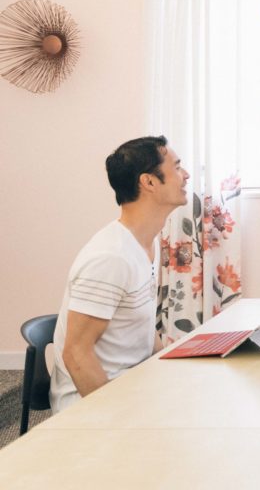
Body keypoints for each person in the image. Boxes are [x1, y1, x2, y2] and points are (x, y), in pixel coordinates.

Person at [50, 136, 189, 413]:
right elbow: (76, 355)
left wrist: (175, 371)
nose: (185, 175)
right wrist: (114, 423)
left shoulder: (146, 243)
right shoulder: (110, 257)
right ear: (148, 182)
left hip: (135, 386)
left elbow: (143, 330)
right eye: (176, 167)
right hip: (94, 405)